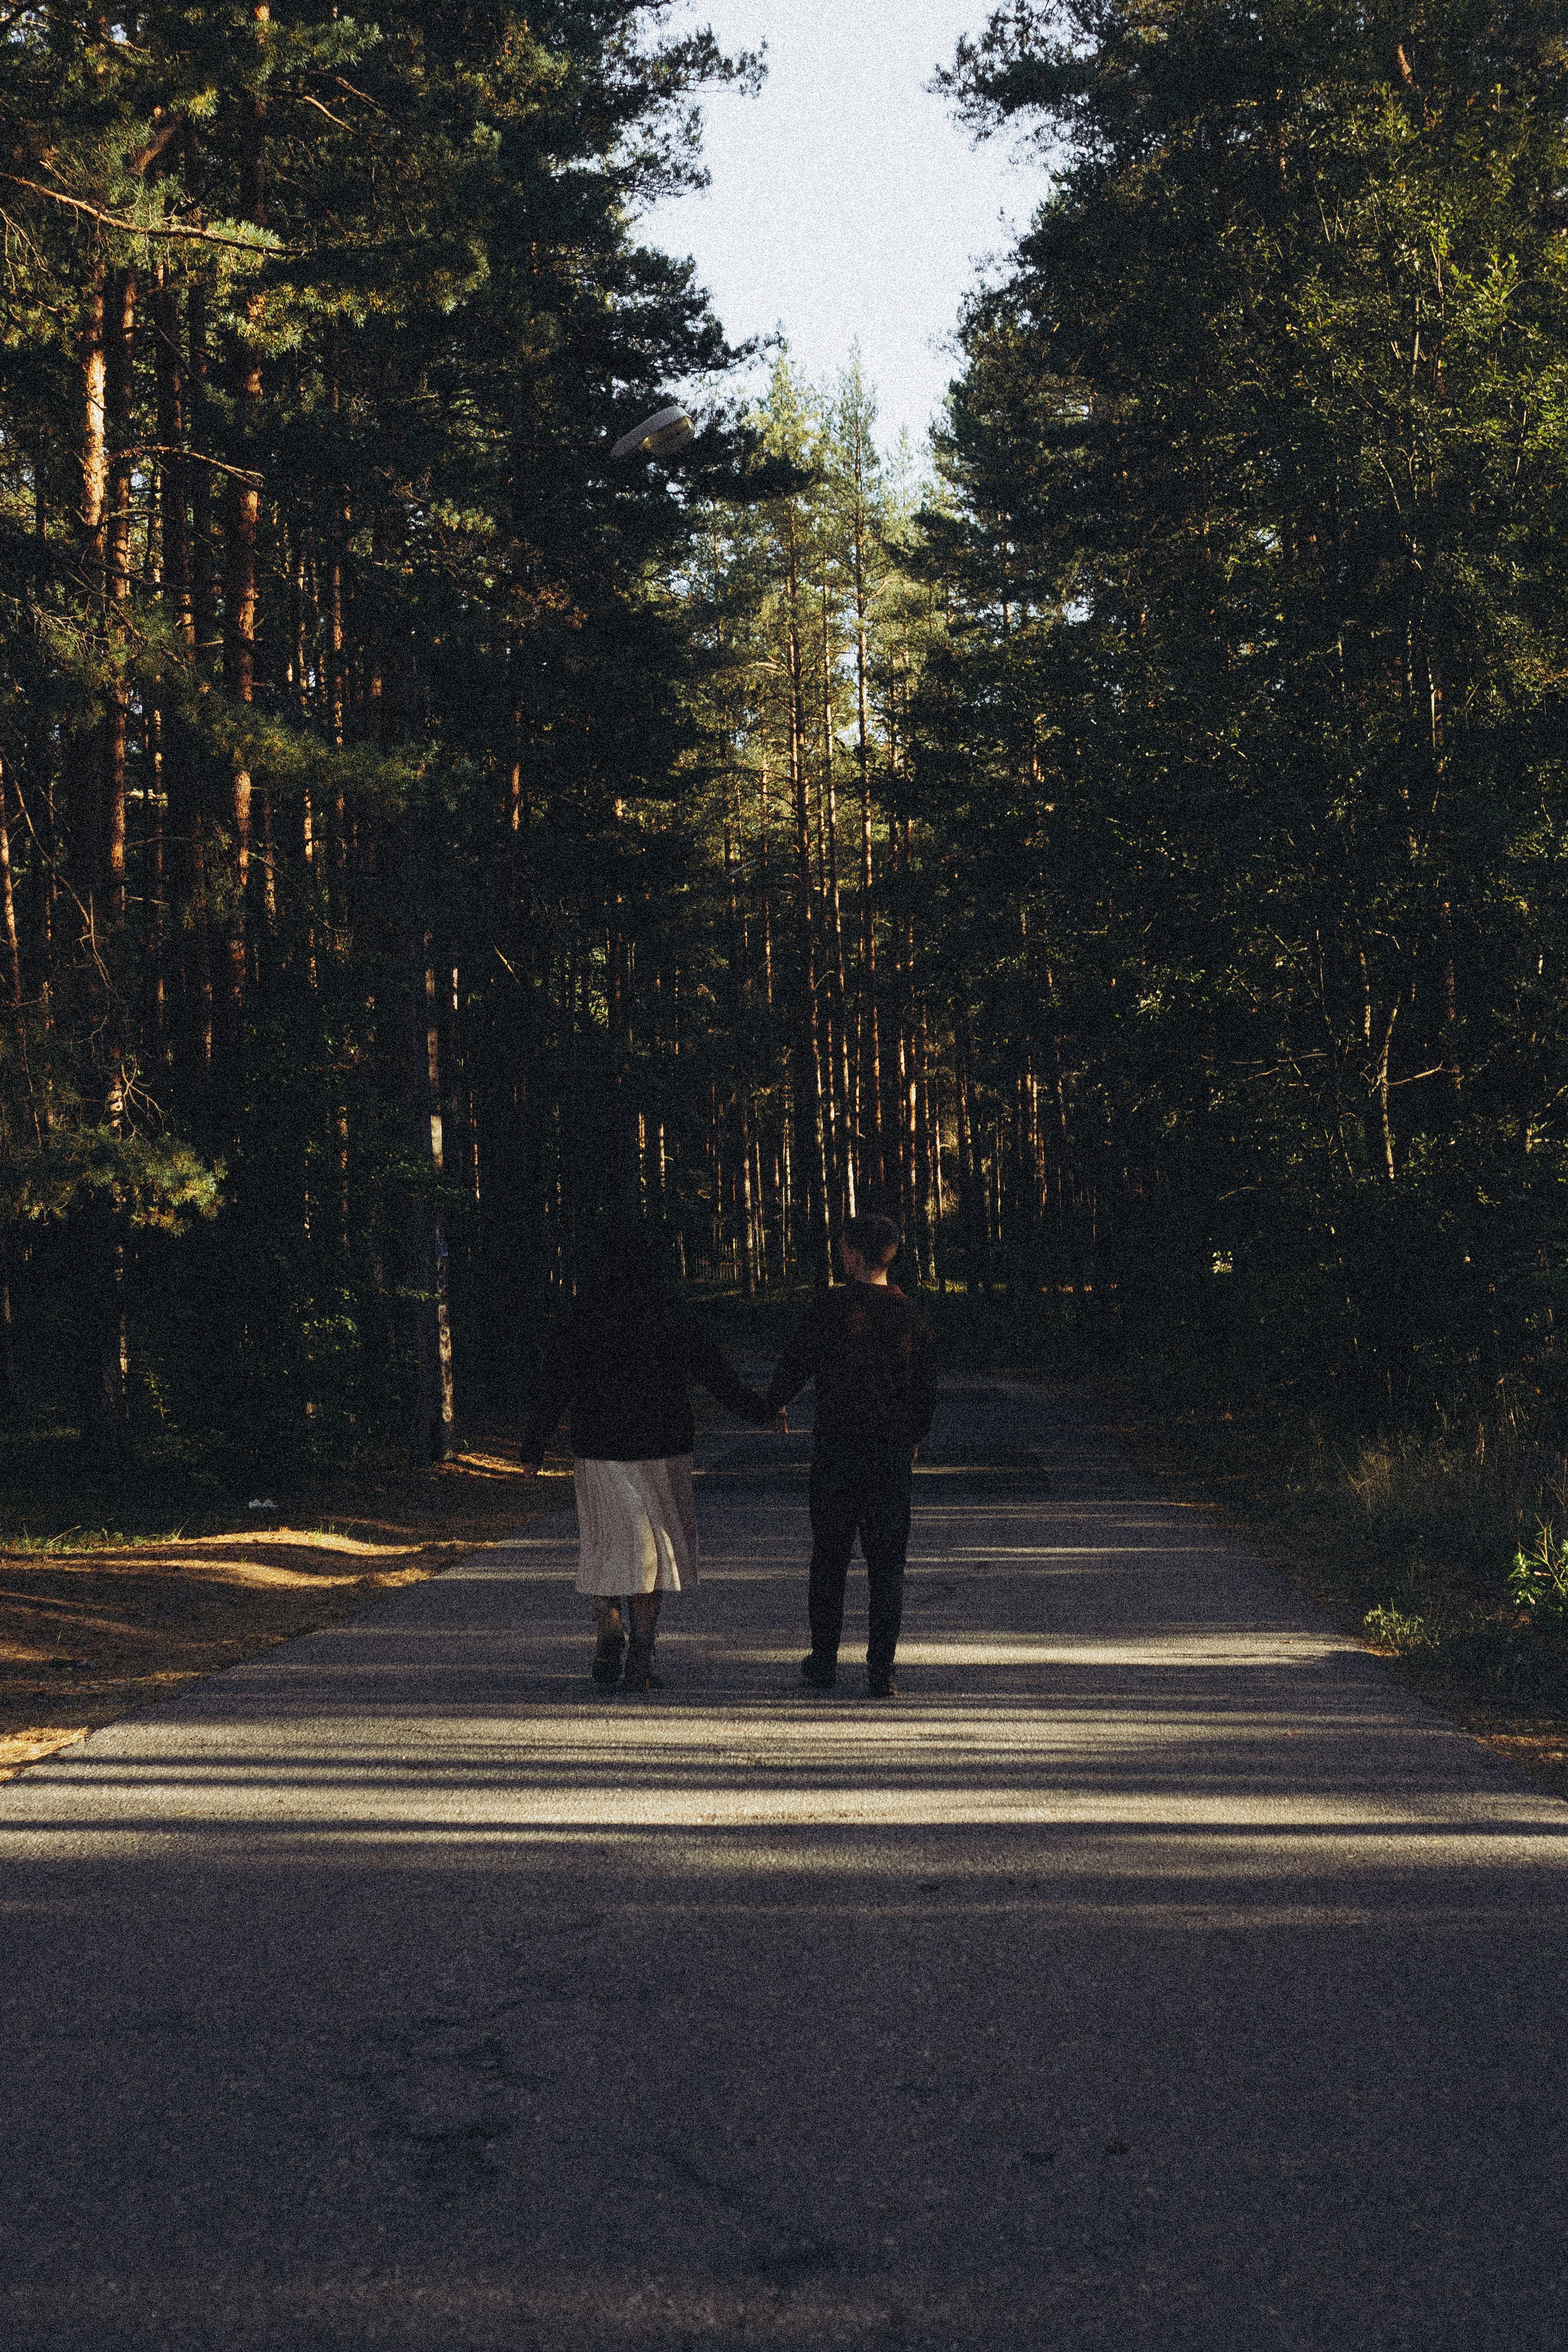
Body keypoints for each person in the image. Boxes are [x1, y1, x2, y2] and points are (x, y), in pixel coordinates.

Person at [521, 1220, 780, 1692]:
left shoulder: (581, 1316)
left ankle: (608, 1621)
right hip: (662, 1447)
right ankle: (643, 1648)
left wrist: (533, 1445)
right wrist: (762, 1412)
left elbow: (554, 1385)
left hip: (599, 1447)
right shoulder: (671, 1314)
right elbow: (717, 1376)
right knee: (653, 1553)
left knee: (605, 1542)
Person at [764, 1213, 936, 1699]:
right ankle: (881, 1669)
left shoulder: (829, 1309)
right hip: (889, 1455)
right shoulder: (912, 1314)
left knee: (830, 1559)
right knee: (887, 1565)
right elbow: (925, 1388)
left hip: (838, 1451)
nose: (841, 1257)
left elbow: (796, 1361)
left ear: (856, 1256)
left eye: (843, 1249)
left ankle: (824, 1662)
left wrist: (774, 1402)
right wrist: (913, 1436)